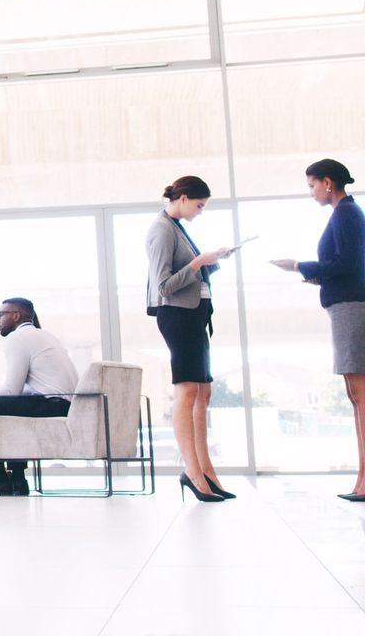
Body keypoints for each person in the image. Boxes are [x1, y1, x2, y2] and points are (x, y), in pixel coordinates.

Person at [270, 158, 365, 502]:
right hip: (347, 306)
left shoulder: (346, 214)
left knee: (361, 395)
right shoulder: (345, 214)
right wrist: (315, 276)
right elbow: (345, 267)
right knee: (357, 396)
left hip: (352, 310)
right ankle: (362, 479)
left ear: (328, 182)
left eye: (312, 185)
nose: (311, 192)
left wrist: (299, 266)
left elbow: (347, 265)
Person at [146, 175, 237, 502]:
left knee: (203, 392)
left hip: (194, 313)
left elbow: (189, 273)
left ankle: (205, 470)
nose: (199, 212)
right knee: (187, 391)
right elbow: (164, 286)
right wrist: (200, 261)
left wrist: (213, 261)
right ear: (182, 197)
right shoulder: (161, 229)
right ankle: (193, 473)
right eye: (198, 205)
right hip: (178, 316)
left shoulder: (176, 228)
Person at [0, 298, 79, 496]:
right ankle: (16, 480)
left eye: (1, 315)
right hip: (63, 403)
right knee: (5, 411)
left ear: (16, 316)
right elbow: (24, 390)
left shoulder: (18, 338)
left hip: (51, 404)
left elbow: (11, 391)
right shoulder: (43, 335)